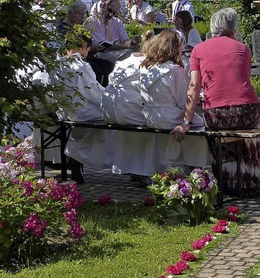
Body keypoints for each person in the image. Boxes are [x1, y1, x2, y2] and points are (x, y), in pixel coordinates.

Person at [171, 8, 260, 195]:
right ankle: (253, 179)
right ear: (233, 27)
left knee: (219, 136)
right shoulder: (243, 48)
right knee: (248, 137)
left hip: (218, 113)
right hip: (247, 110)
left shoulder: (199, 49)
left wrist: (186, 122)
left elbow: (194, 86)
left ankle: (227, 180)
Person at [139, 30, 210, 169]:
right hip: (168, 116)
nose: (182, 49)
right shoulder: (175, 70)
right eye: (180, 46)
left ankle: (180, 164)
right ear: (174, 47)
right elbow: (182, 101)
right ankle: (194, 165)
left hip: (151, 116)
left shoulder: (146, 68)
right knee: (201, 125)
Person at [100, 30, 165, 178]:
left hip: (110, 108)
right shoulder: (149, 64)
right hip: (126, 109)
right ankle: (148, 169)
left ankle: (134, 167)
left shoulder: (125, 61)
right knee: (157, 121)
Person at [52, 28, 113, 183]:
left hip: (63, 111)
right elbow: (94, 93)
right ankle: (128, 166)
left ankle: (76, 160)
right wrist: (111, 96)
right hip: (82, 112)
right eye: (87, 49)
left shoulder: (56, 65)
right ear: (83, 47)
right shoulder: (82, 66)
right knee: (116, 120)